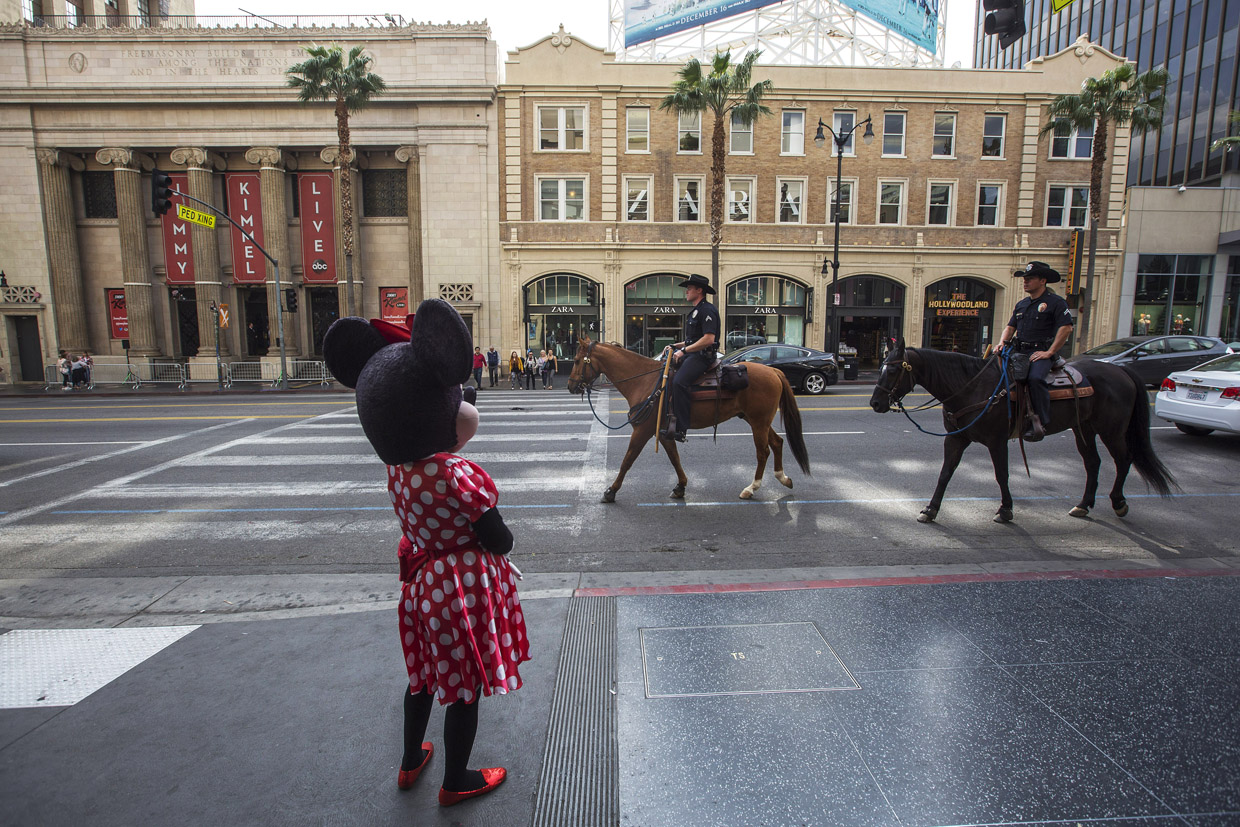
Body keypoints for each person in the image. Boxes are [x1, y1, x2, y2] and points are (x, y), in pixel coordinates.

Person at [322, 300, 528, 807]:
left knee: (423, 677)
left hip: (421, 586)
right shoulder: (457, 474)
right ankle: (457, 780)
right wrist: (500, 544)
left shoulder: (398, 468)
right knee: (463, 687)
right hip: (461, 588)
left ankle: (411, 759)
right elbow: (497, 537)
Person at [996, 261, 1074, 442]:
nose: (1025, 282)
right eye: (1025, 279)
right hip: (1019, 352)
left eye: (1030, 279)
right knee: (997, 376)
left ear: (1042, 281)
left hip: (1041, 353)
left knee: (1035, 379)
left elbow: (1066, 328)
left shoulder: (1056, 302)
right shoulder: (1022, 304)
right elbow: (1010, 327)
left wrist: (1049, 352)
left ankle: (1040, 420)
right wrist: (1001, 343)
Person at [662, 273, 720, 442]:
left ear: (699, 290)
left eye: (689, 288)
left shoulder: (707, 310)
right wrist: (676, 346)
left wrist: (684, 351)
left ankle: (681, 427)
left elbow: (709, 339)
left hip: (702, 357)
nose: (686, 291)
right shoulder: (696, 311)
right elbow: (693, 340)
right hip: (693, 353)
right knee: (668, 374)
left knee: (679, 382)